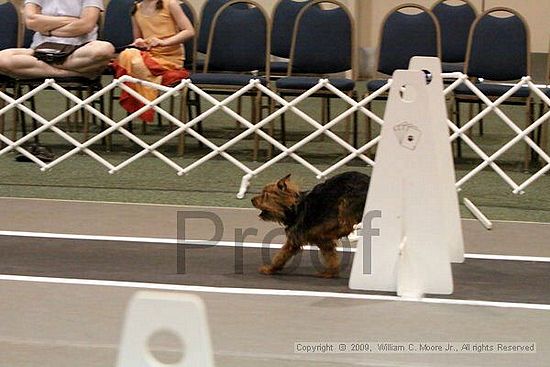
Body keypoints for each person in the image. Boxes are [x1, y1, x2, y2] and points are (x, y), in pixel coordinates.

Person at [111, 0, 195, 122]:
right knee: (127, 54)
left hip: (170, 58)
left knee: (129, 57)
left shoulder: (170, 4)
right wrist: (140, 43)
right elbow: (138, 40)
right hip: (149, 56)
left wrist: (164, 42)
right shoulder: (136, 9)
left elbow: (189, 31)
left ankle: (150, 82)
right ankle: (151, 82)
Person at [0, 0, 114, 79]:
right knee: (2, 59)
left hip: (79, 49)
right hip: (41, 51)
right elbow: (31, 21)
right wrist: (71, 21)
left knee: (105, 49)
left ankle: (44, 71)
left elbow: (85, 25)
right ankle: (77, 73)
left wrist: (47, 29)